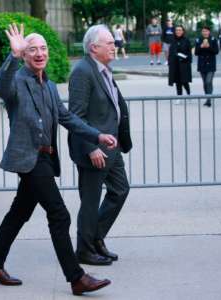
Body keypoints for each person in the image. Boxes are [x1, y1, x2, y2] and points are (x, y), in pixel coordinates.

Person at [0, 23, 115, 296]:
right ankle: (76, 278)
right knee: (59, 213)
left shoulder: (50, 86)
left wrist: (97, 136)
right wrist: (13, 56)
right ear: (25, 54)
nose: (39, 53)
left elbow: (66, 118)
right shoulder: (17, 81)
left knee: (19, 212)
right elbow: (0, 88)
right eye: (32, 50)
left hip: (45, 157)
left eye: (43, 48)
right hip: (28, 160)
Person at [68, 24, 132, 266]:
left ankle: (96, 238)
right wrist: (90, 146)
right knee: (91, 200)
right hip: (94, 149)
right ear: (94, 48)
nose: (114, 46)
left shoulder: (103, 69)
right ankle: (84, 250)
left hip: (112, 147)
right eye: (109, 43)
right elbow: (75, 115)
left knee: (120, 190)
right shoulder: (82, 72)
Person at [195, 26, 219, 107]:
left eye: (206, 31)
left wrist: (209, 47)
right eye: (203, 31)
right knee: (205, 83)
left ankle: (208, 99)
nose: (204, 33)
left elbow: (216, 51)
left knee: (208, 81)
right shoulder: (198, 39)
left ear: (209, 32)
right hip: (202, 64)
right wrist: (200, 47)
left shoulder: (213, 39)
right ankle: (207, 96)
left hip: (211, 64)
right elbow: (196, 52)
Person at [168, 25, 192, 97]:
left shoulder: (186, 40)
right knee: (177, 81)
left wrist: (188, 60)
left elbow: (189, 52)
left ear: (183, 31)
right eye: (177, 30)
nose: (178, 31)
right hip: (175, 64)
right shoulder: (172, 40)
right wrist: (170, 61)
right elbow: (171, 52)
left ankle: (188, 94)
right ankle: (179, 96)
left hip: (184, 64)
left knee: (184, 81)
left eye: (180, 30)